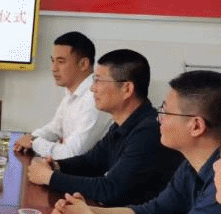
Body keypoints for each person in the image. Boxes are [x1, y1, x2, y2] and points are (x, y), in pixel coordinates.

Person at [51, 70, 221, 214]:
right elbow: (153, 213)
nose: (159, 119)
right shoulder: (190, 166)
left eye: (166, 112)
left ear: (196, 126)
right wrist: (84, 212)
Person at [27, 48, 181, 205]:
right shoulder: (121, 125)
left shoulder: (149, 131)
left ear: (127, 89)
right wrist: (56, 165)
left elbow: (111, 190)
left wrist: (50, 178)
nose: (92, 88)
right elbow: (92, 162)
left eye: (98, 81)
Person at [13, 31, 109, 159]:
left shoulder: (94, 98)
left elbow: (72, 153)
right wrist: (32, 137)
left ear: (83, 64)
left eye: (61, 61)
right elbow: (55, 129)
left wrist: (34, 142)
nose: (53, 68)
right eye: (53, 61)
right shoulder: (72, 92)